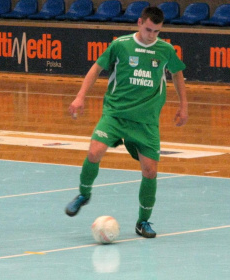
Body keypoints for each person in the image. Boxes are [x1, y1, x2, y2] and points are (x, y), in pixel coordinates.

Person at [65, 7, 188, 238]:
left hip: (146, 122)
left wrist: (184, 106)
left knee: (150, 171)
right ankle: (84, 194)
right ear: (139, 22)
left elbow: (177, 74)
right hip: (115, 114)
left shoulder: (165, 50)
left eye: (157, 31)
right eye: (148, 29)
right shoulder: (120, 45)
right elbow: (96, 68)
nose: (152, 35)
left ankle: (143, 222)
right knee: (94, 152)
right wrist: (80, 97)